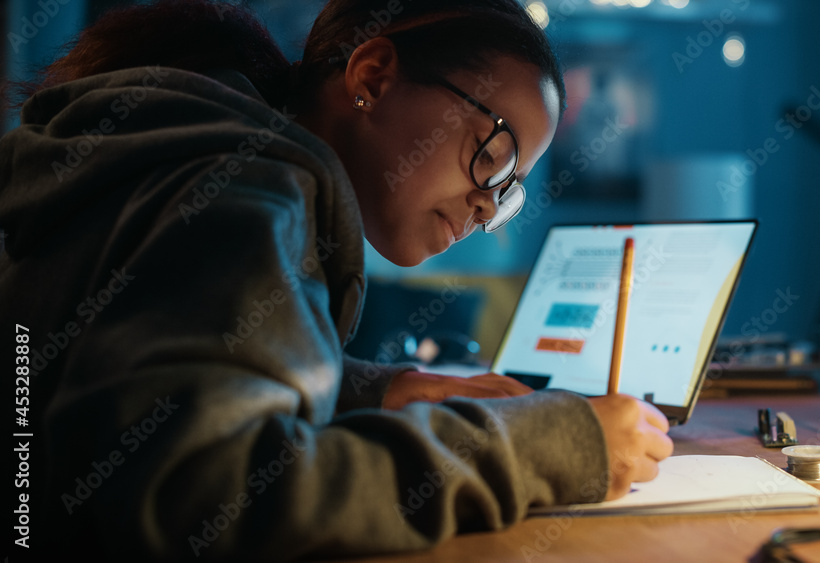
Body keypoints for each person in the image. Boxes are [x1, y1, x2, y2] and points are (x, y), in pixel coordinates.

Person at [0, 0, 673, 560]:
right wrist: (552, 447)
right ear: (374, 77)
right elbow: (198, 498)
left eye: (511, 190)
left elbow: (148, 380)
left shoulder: (193, 159)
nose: (488, 207)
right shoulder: (247, 189)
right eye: (492, 155)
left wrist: (376, 392)